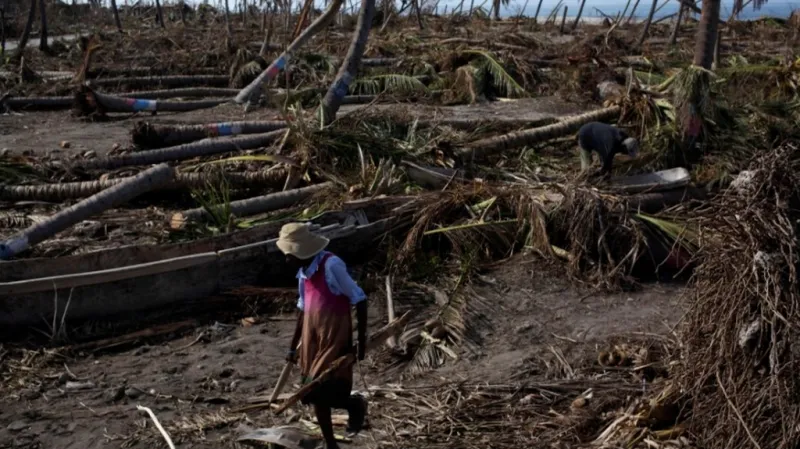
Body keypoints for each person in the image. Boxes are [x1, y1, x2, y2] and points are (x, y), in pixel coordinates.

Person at [277, 222, 368, 449]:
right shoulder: (302, 274)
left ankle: (353, 404)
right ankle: (331, 445)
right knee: (310, 391)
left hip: (334, 334)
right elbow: (302, 310)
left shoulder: (331, 266)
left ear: (301, 252)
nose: (286, 260)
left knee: (322, 388)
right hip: (312, 337)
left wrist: (361, 342)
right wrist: (292, 347)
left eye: (289, 255)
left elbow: (360, 299)